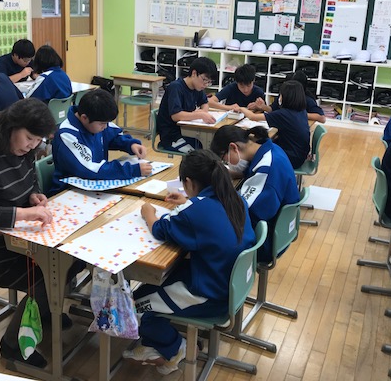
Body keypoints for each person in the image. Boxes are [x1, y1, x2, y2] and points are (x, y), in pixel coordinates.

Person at [0, 98, 82, 368]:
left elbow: (29, 179)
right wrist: (23, 213)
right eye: (29, 138)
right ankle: (12, 346)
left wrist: (34, 195)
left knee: (73, 260)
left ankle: (43, 310)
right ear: (11, 127)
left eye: (37, 141)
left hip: (17, 238)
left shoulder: (22, 150)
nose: (32, 146)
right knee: (49, 273)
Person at [123, 150, 255, 375]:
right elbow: (207, 218)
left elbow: (160, 228)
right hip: (230, 282)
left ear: (188, 182)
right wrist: (189, 202)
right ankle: (158, 342)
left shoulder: (195, 212)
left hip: (210, 295)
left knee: (131, 308)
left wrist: (148, 212)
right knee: (147, 290)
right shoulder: (235, 198)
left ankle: (176, 348)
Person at [210, 124, 298, 263]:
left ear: (233, 147)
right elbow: (252, 173)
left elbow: (242, 212)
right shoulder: (270, 150)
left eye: (224, 159)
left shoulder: (267, 168)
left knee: (209, 231)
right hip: (278, 228)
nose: (226, 163)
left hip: (265, 239)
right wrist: (233, 174)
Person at [50, 89, 151, 194]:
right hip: (69, 191)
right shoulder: (67, 134)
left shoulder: (96, 120)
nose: (105, 127)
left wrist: (131, 144)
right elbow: (89, 169)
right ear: (84, 118)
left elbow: (114, 136)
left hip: (97, 184)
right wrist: (131, 170)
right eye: (102, 123)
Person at [239, 80, 311, 169]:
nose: (279, 98)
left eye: (280, 95)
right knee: (262, 140)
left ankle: (246, 171)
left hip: (291, 158)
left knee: (254, 146)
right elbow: (273, 112)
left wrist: (241, 108)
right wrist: (263, 107)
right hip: (300, 154)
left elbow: (253, 117)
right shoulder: (301, 111)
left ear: (286, 97)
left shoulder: (284, 114)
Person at [156, 57, 217, 153]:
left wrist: (204, 112)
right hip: (172, 136)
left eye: (209, 82)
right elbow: (176, 116)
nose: (206, 85)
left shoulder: (197, 87)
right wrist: (200, 115)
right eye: (205, 80)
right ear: (194, 73)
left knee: (212, 144)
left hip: (187, 131)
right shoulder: (176, 87)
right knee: (202, 153)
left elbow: (205, 103)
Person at [253, 71, 327, 123]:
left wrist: (296, 115)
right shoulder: (283, 95)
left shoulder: (307, 99)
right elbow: (273, 109)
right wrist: (263, 107)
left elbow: (322, 118)